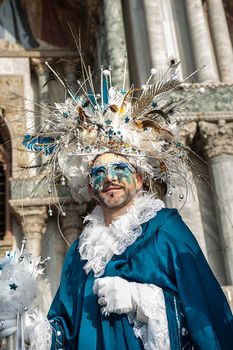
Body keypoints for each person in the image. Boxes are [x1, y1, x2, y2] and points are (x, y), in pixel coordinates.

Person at [0, 61, 233, 349]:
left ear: (138, 179)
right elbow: (65, 330)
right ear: (89, 187)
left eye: (120, 169)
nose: (110, 179)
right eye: (99, 173)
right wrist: (33, 328)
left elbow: (207, 315)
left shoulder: (167, 233)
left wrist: (139, 300)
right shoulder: (80, 254)